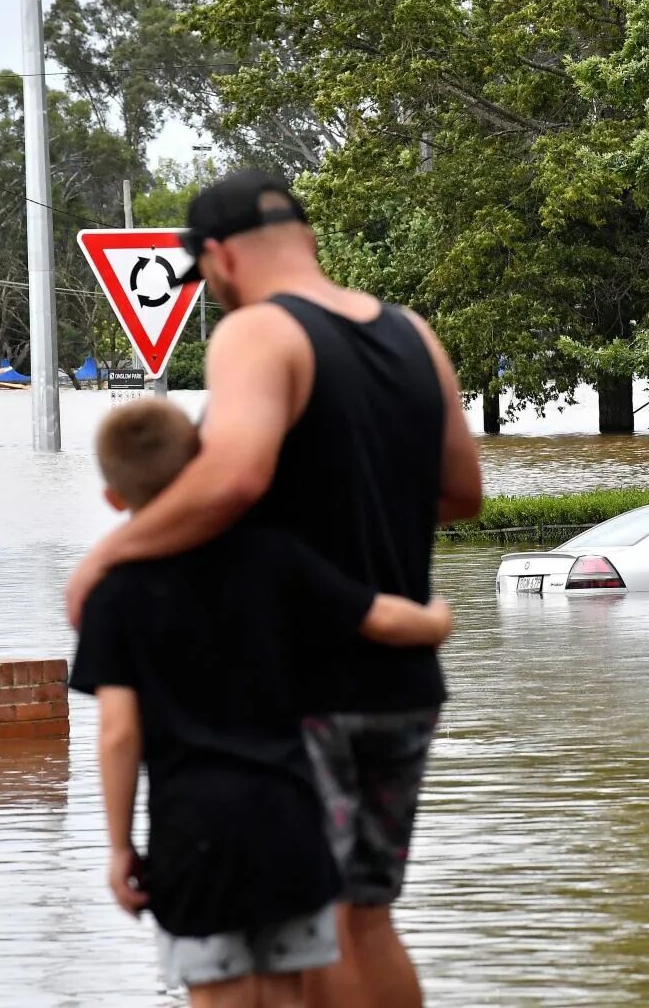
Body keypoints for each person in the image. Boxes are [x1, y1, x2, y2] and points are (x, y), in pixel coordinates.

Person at [66, 171, 483, 1008]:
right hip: (402, 680)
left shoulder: (259, 330)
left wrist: (104, 560)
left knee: (320, 918)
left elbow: (236, 474)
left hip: (309, 684)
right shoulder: (413, 334)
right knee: (369, 916)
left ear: (217, 256)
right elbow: (462, 492)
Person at [71, 399, 455, 1008]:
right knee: (285, 997)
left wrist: (119, 847)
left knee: (220, 997)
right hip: (290, 821)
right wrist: (435, 620)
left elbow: (118, 733)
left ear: (115, 500)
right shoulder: (274, 557)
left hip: (192, 834)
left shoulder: (115, 597)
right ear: (201, 470)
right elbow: (376, 616)